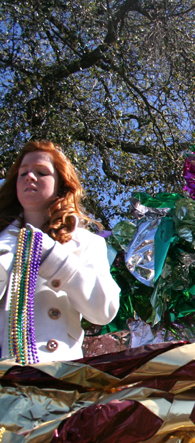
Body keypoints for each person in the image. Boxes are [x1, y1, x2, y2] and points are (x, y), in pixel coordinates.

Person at [0, 141, 120, 363]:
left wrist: (56, 261)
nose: (29, 177)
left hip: (58, 379)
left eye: (41, 172)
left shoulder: (86, 242)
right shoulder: (2, 242)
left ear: (61, 185)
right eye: (22, 173)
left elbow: (104, 311)